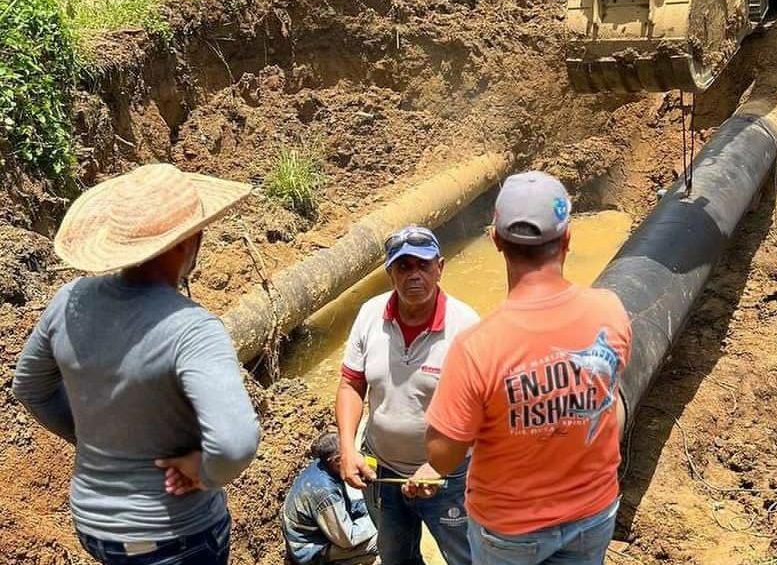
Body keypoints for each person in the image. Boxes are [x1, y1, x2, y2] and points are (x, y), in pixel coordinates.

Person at [13, 163, 261, 565]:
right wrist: (203, 471)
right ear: (187, 242)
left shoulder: (69, 301)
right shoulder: (192, 328)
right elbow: (234, 445)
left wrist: (95, 440)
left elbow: (29, 387)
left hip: (94, 527)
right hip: (174, 537)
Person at [425, 171, 633, 565]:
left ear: (496, 241)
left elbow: (442, 457)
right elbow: (609, 403)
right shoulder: (610, 311)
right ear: (568, 237)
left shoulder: (477, 347)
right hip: (593, 514)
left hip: (510, 532)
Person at [335, 225, 479, 565]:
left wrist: (438, 467)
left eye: (423, 265)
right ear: (390, 273)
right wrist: (346, 448)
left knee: (468, 558)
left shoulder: (467, 326)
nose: (414, 275)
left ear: (440, 268)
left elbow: (484, 412)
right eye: (403, 266)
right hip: (381, 471)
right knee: (395, 557)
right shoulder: (370, 315)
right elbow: (351, 384)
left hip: (450, 478)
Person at [282, 431, 379, 565]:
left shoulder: (325, 468)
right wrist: (379, 520)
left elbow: (347, 506)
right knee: (383, 541)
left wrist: (371, 507)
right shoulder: (324, 492)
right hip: (312, 551)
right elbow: (347, 538)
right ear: (336, 460)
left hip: (325, 534)